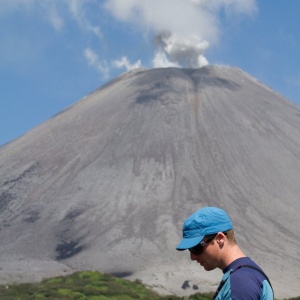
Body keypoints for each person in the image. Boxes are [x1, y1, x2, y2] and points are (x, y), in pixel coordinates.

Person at [176, 207, 274, 299]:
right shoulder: (245, 275)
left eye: (196, 248)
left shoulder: (240, 282)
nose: (192, 257)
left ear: (220, 238)